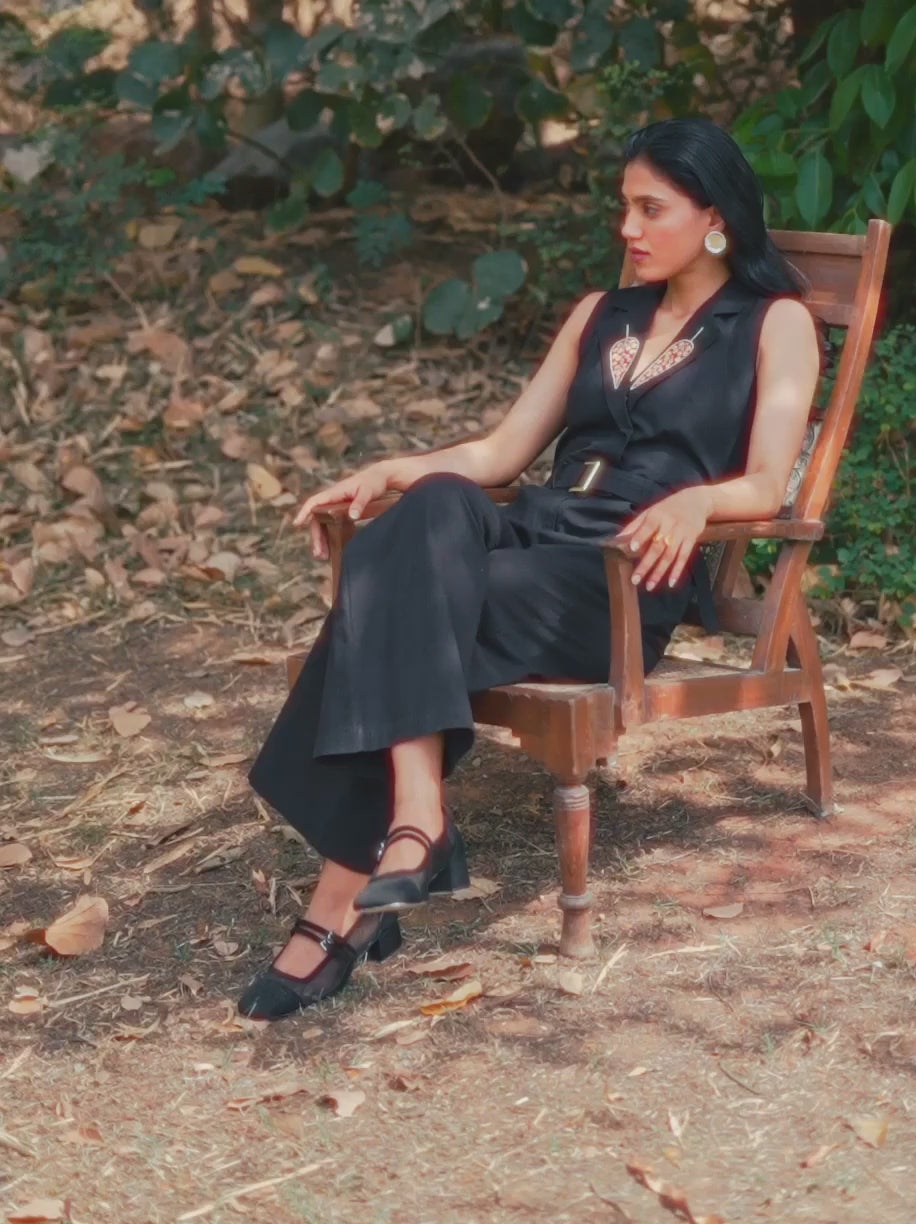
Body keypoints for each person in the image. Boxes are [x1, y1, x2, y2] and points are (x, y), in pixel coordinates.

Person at [239, 117, 822, 1019]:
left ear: (715, 216)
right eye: (623, 206)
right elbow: (504, 452)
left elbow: (769, 480)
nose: (627, 228)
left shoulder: (774, 323)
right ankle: (418, 814)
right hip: (535, 530)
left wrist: (699, 502)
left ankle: (339, 905)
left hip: (619, 576)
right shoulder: (601, 313)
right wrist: (392, 470)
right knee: (430, 508)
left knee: (385, 595)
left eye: (651, 209)